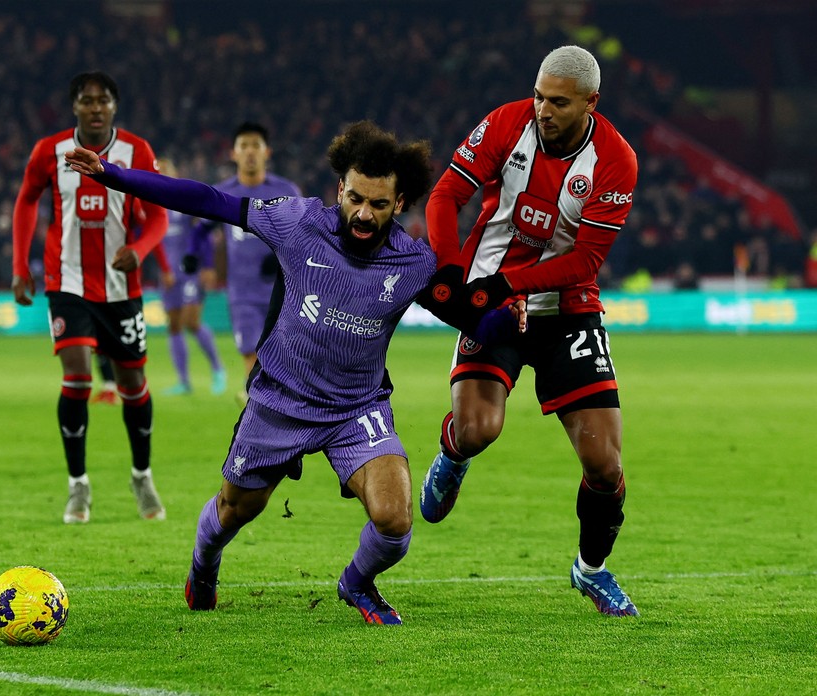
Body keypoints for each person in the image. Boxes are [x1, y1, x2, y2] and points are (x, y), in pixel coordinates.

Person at [65, 121, 524, 625]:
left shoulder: (415, 262)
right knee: (235, 510)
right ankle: (204, 563)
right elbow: (207, 200)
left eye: (379, 204)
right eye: (355, 199)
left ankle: (356, 584)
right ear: (339, 190)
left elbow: (468, 316)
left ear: (401, 204)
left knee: (395, 522)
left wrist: (505, 318)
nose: (364, 214)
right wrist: (114, 175)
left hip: (357, 408)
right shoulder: (298, 222)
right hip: (280, 399)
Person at [418, 45, 641, 616]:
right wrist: (451, 271)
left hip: (567, 310)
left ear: (591, 102)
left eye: (559, 102)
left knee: (605, 464)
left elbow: (584, 261)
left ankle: (590, 569)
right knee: (477, 429)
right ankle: (453, 454)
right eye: (540, 95)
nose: (543, 109)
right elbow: (447, 194)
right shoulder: (506, 121)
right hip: (492, 305)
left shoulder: (616, 160)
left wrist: (509, 284)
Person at [12, 71, 169, 524]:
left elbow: (158, 216)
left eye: (103, 100)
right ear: (74, 106)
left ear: (114, 107)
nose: (95, 107)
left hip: (121, 288)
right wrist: (20, 265)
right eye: (86, 100)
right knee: (78, 377)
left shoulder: (137, 151)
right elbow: (26, 201)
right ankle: (77, 486)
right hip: (68, 282)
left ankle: (141, 475)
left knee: (133, 386)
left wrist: (139, 250)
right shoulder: (49, 151)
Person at [188, 122, 301, 405]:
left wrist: (278, 258)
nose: (250, 152)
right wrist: (202, 262)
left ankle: (262, 397)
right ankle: (258, 401)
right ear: (234, 154)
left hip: (285, 289)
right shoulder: (223, 192)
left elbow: (304, 233)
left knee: (285, 353)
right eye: (244, 146)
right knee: (250, 350)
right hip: (242, 291)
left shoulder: (286, 190)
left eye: (256, 146)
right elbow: (200, 230)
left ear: (267, 153)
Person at [152, 156, 227, 396]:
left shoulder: (183, 200)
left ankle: (218, 369)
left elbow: (201, 234)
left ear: (174, 174)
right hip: (167, 276)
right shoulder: (151, 206)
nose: (161, 174)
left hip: (189, 273)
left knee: (191, 322)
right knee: (174, 326)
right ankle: (183, 382)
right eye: (157, 170)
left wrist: (207, 266)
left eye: (165, 170)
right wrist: (162, 270)